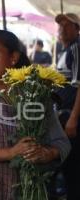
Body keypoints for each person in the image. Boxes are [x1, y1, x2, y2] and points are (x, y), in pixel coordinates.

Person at [0, 30, 71, 200]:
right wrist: (12, 152)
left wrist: (47, 153)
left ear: (13, 57)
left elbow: (63, 143)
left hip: (27, 191)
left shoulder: (37, 97)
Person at [54, 13, 80, 200]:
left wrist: (73, 118)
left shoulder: (77, 48)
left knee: (73, 166)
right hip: (63, 114)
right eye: (60, 25)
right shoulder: (65, 50)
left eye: (67, 25)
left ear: (77, 29)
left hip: (72, 116)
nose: (62, 28)